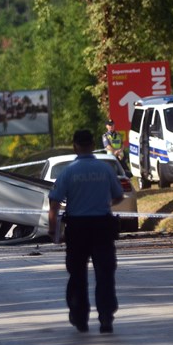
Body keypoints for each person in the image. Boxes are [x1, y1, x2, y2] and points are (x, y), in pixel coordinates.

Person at [48, 129, 125, 334]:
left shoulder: (68, 172)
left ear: (75, 146)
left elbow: (54, 203)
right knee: (105, 274)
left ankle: (80, 317)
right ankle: (106, 317)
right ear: (92, 145)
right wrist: (105, 202)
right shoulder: (105, 169)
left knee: (77, 275)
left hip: (78, 229)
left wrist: (53, 230)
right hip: (102, 227)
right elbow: (119, 196)